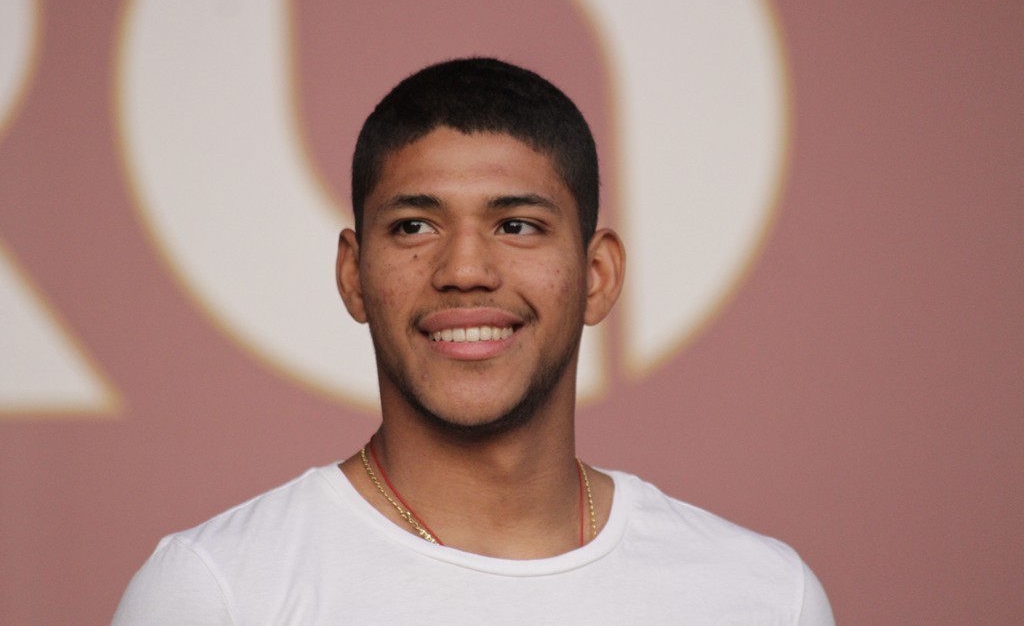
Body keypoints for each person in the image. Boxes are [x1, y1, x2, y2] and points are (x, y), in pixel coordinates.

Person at [113, 57, 834, 624]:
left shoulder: (765, 596)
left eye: (516, 225)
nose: (464, 270)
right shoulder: (217, 591)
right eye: (414, 227)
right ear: (354, 275)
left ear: (598, 275)